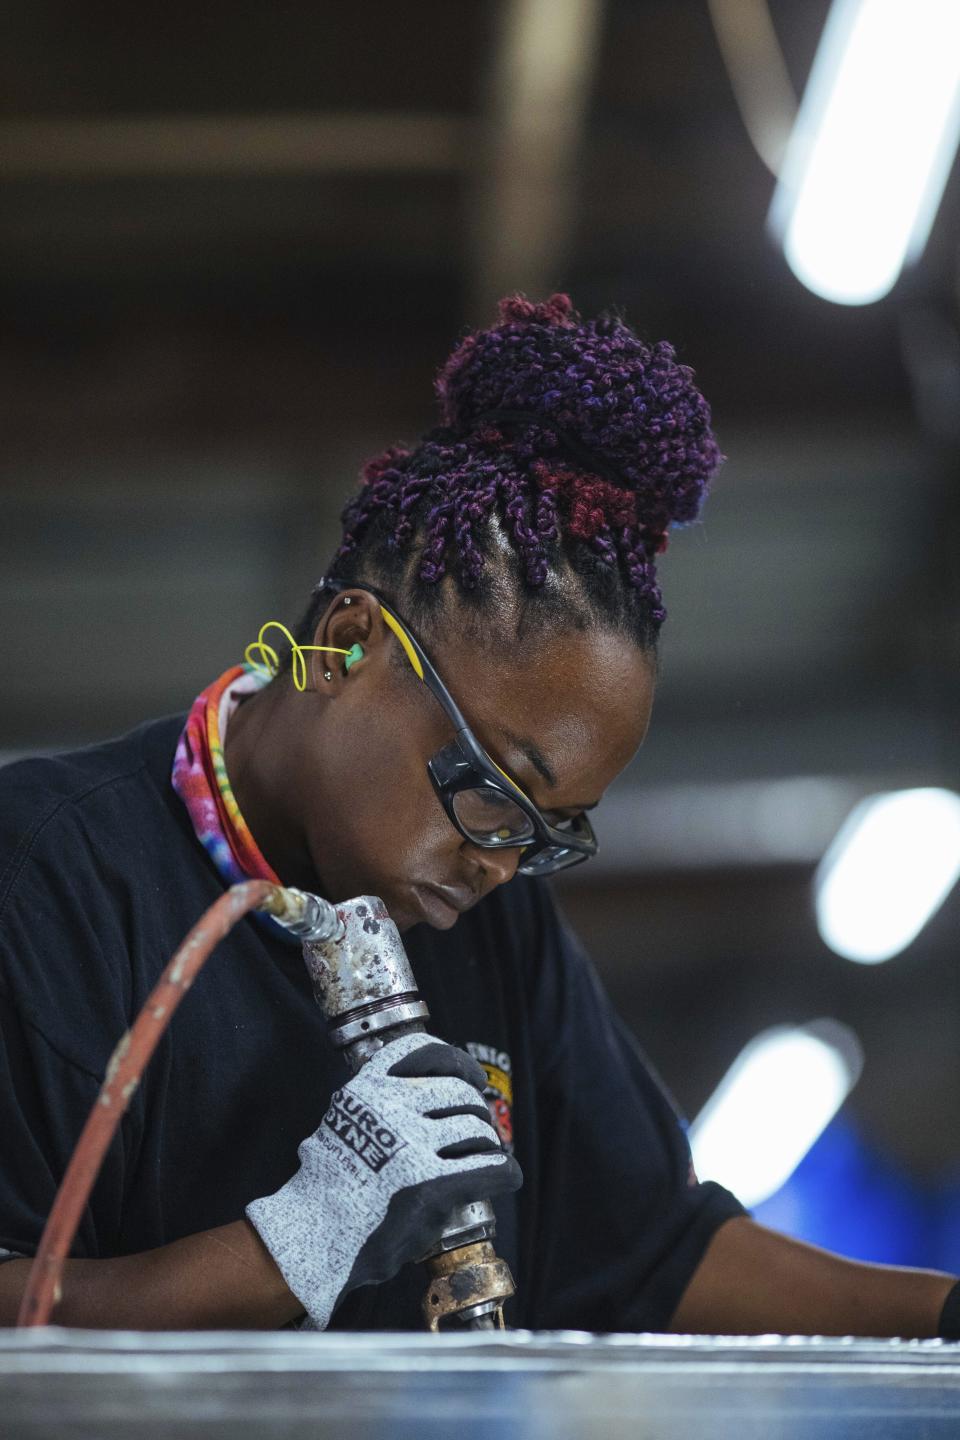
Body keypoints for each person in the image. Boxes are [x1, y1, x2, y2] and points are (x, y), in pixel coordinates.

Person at [0, 293, 957, 1337]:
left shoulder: (489, 923)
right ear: (353, 642)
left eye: (552, 832)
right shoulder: (47, 879)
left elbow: (653, 1256)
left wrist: (944, 1315)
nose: (502, 863)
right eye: (494, 789)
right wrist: (299, 1243)